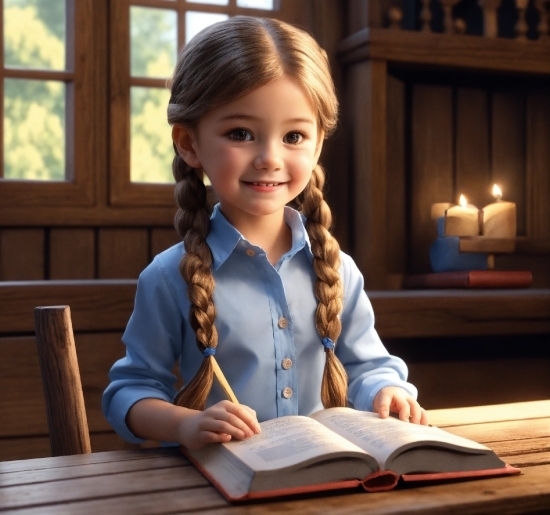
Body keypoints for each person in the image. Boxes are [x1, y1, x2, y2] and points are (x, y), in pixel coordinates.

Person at [102, 16, 428, 451]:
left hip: (327, 480)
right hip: (218, 485)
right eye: (241, 134)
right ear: (188, 143)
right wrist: (184, 425)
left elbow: (370, 368)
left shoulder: (337, 270)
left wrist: (389, 392)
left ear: (317, 145)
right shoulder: (168, 277)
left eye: (294, 135)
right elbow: (130, 393)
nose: (269, 158)